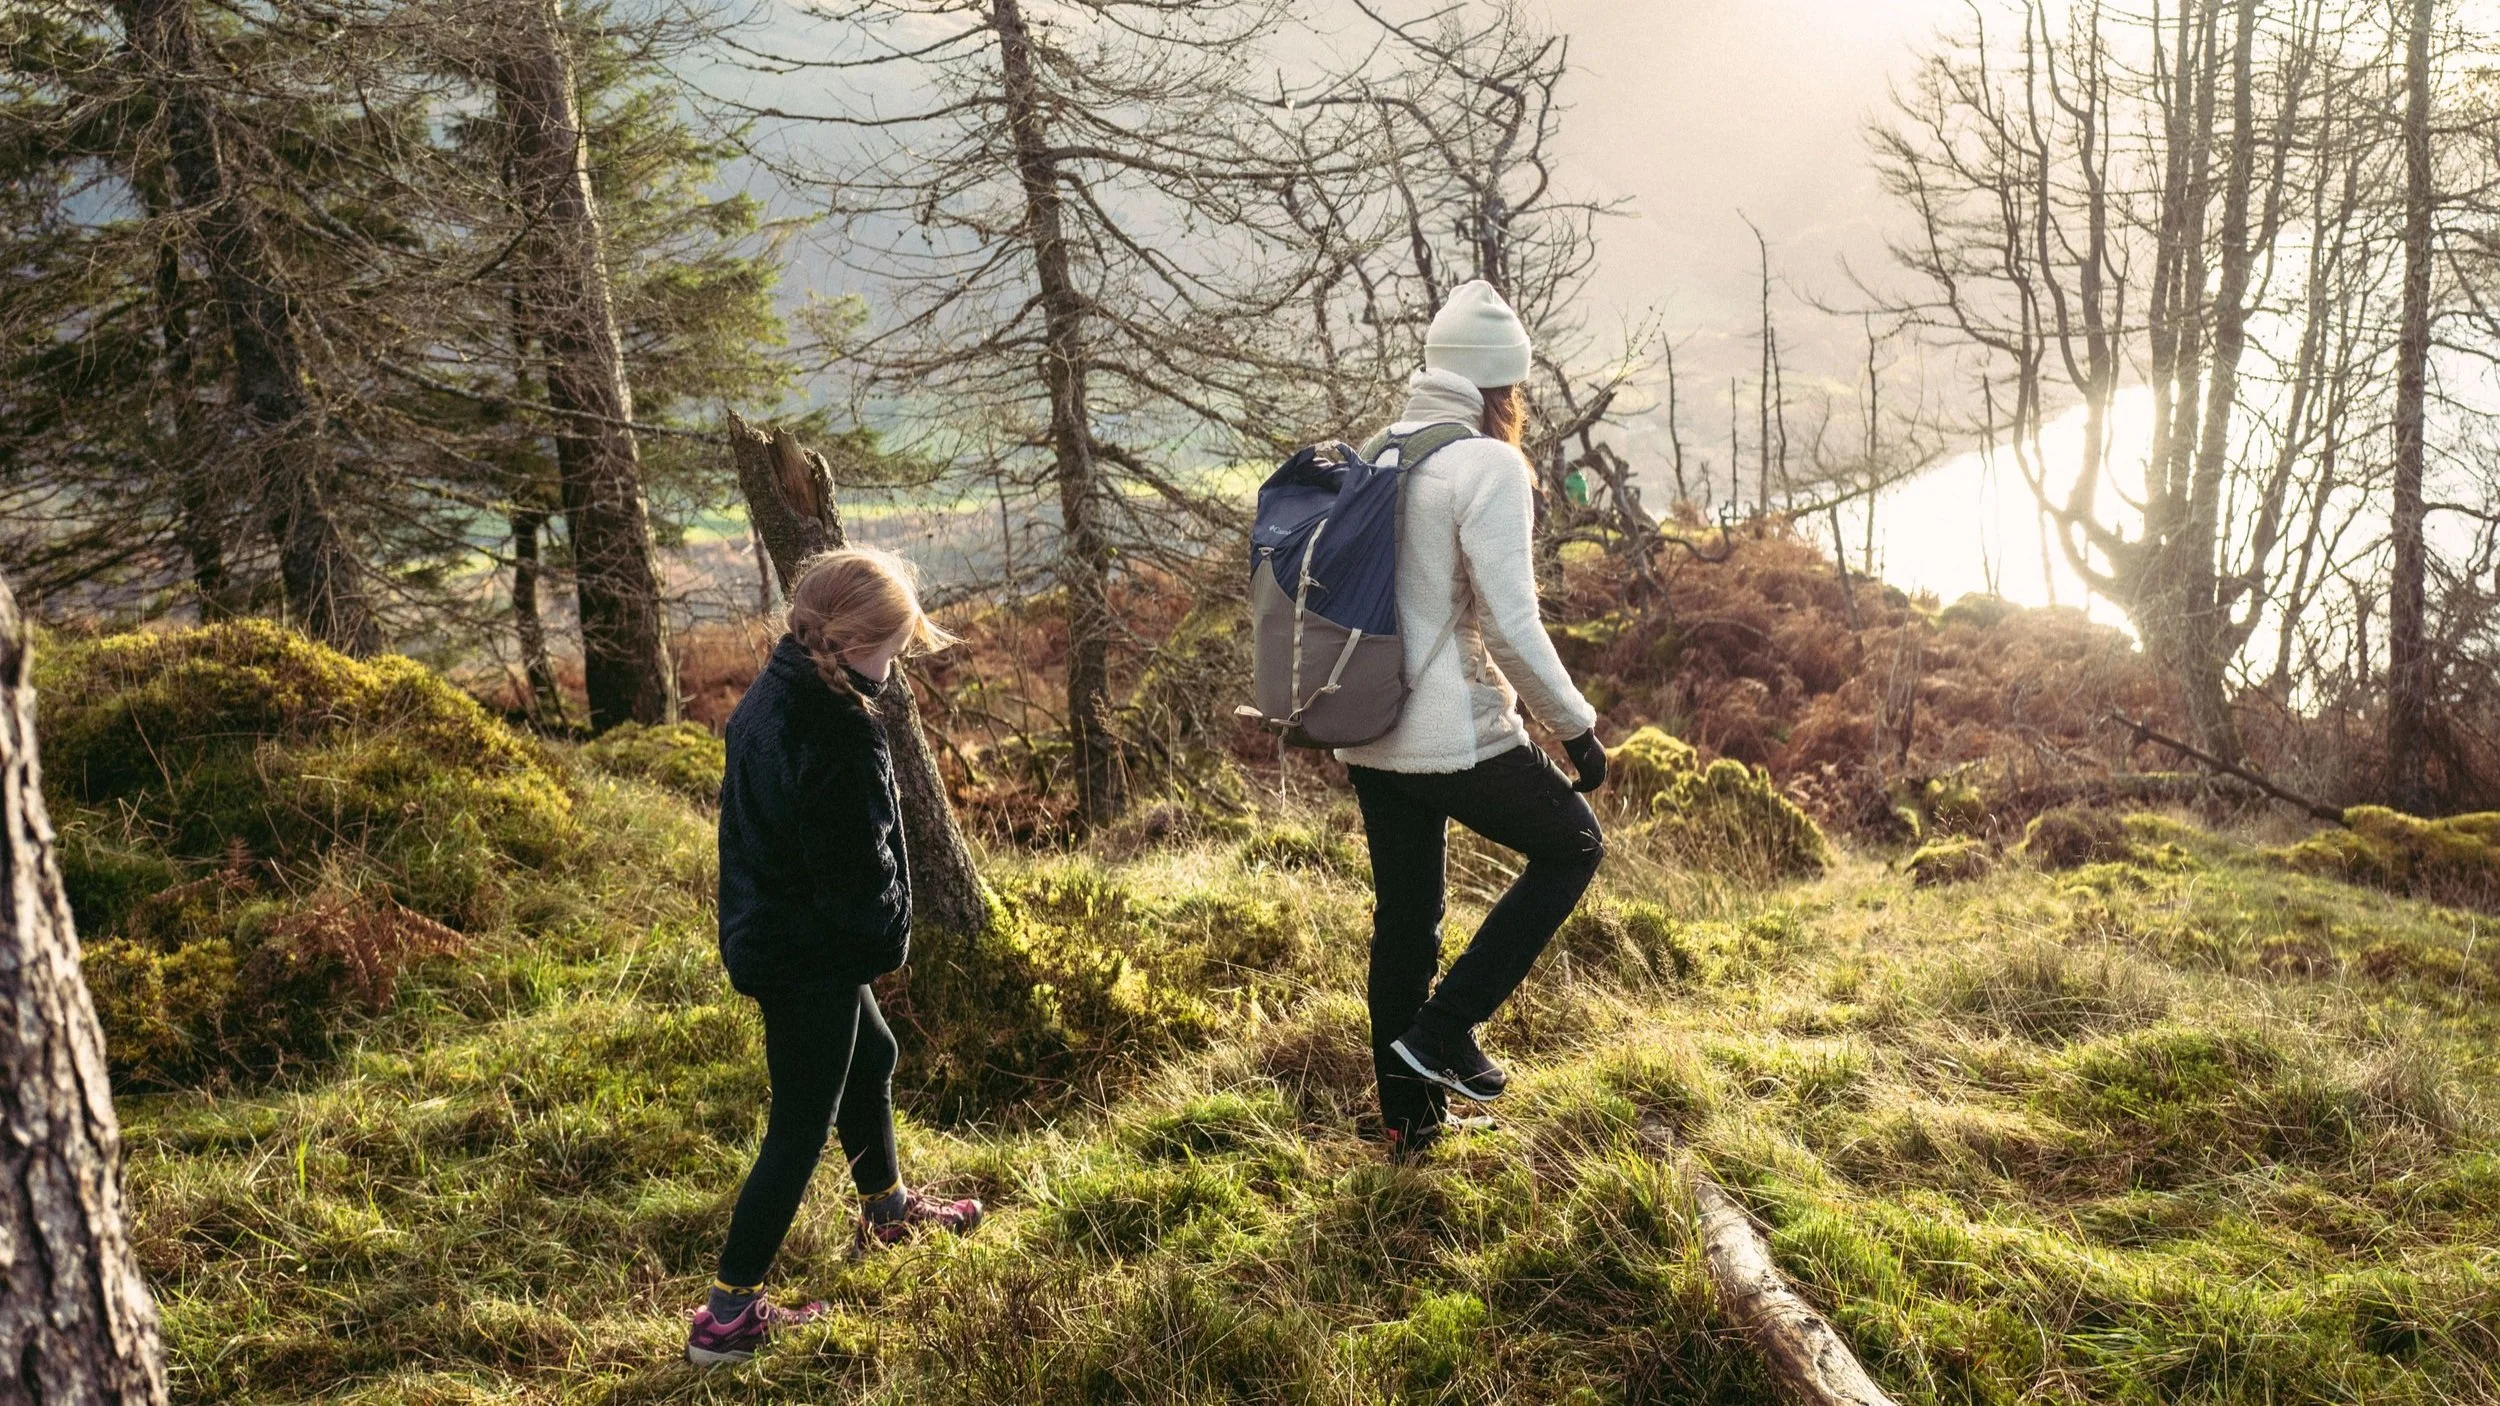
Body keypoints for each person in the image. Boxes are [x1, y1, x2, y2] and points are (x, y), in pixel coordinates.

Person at [686, 546, 984, 1367]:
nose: (897, 666)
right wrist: (886, 940)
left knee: (874, 1053)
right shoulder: (839, 730)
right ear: (858, 645)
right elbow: (858, 875)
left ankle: (885, 1213)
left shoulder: (774, 692)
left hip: (779, 929)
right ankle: (726, 1319)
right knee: (799, 1123)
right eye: (893, 650)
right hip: (807, 952)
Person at [1338, 280, 1610, 1163]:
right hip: (1451, 732)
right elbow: (1510, 624)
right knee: (1572, 844)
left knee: (1407, 921)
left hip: (1369, 729)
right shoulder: (1488, 466)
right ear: (1505, 386)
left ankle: (1406, 1122)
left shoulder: (1379, 451)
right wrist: (1574, 729)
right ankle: (1448, 1031)